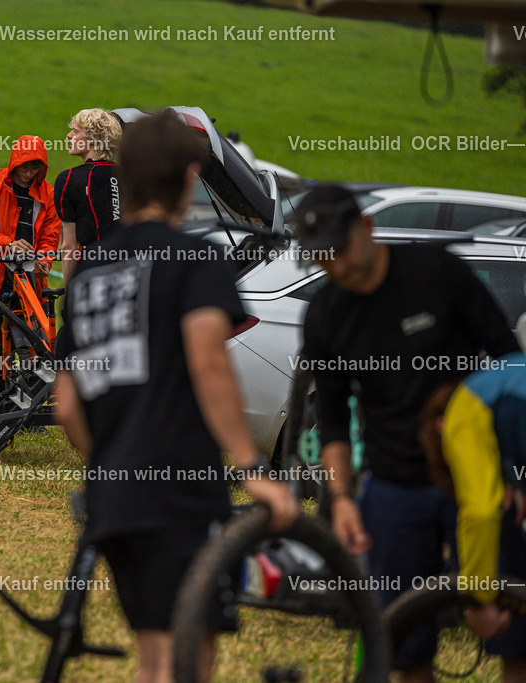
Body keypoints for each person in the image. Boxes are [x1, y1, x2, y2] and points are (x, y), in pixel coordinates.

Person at [56, 110, 298, 683]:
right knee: (190, 657)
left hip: (111, 497)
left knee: (154, 655)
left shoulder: (90, 270)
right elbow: (208, 359)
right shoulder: (194, 257)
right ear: (190, 177)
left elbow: (67, 405)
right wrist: (250, 465)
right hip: (181, 491)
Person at [297, 184, 520, 682]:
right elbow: (331, 417)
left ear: (368, 229)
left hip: (476, 474)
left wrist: (516, 474)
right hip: (392, 484)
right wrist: (342, 498)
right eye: (321, 257)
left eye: (340, 249)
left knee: (513, 632)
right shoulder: (325, 313)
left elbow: (509, 364)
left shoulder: (437, 274)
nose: (335, 266)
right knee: (401, 647)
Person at [418, 359, 526, 681]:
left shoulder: (463, 411)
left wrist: (478, 599)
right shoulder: (503, 381)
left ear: (439, 426)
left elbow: (480, 511)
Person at [0, 135, 61, 398]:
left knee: (36, 342)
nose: (29, 173)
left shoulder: (49, 194)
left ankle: (30, 404)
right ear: (14, 163)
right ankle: (0, 398)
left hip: (32, 280)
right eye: (25, 167)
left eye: (36, 168)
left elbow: (50, 236)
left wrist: (44, 261)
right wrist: (9, 244)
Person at [53, 108, 122, 280]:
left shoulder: (69, 178)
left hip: (92, 275)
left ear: (95, 137)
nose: (69, 136)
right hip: (129, 273)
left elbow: (70, 246)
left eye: (76, 131)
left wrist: (70, 299)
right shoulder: (131, 174)